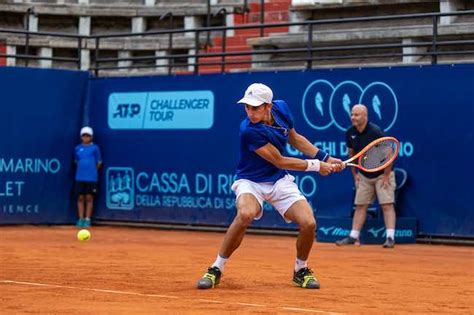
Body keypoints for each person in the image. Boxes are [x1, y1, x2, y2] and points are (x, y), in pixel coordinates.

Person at [196, 83, 344, 290]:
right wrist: (317, 165)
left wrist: (325, 156)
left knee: (309, 223)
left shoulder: (281, 109)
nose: (250, 112)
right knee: (245, 214)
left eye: (255, 107)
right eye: (247, 107)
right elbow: (280, 160)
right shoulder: (248, 130)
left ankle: (300, 270)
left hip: (279, 181)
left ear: (268, 105)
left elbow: (295, 139)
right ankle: (216, 268)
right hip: (251, 181)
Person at [336, 104, 396, 248]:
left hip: (382, 174)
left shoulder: (376, 132)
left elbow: (389, 153)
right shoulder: (350, 133)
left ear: (365, 116)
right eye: (352, 114)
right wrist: (355, 174)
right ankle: (353, 236)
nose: (353, 117)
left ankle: (390, 237)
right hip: (363, 175)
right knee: (360, 206)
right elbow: (351, 155)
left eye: (356, 115)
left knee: (387, 205)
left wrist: (386, 175)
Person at [74, 126, 102, 228]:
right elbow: (76, 161)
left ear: (91, 137)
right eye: (84, 135)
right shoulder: (77, 148)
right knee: (80, 198)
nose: (86, 137)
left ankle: (87, 219)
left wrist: (92, 171)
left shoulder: (95, 148)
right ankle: (80, 219)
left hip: (91, 178)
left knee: (89, 197)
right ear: (81, 137)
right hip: (79, 177)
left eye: (88, 136)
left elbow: (99, 163)